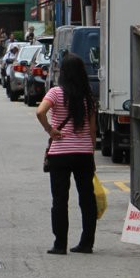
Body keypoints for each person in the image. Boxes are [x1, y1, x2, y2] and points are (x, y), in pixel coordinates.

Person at [35, 52, 97, 255]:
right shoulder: (88, 96)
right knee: (87, 199)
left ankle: (60, 244)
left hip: (60, 153)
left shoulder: (55, 92)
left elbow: (40, 112)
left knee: (60, 200)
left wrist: (50, 130)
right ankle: (86, 243)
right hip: (83, 153)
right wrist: (91, 153)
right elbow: (92, 129)